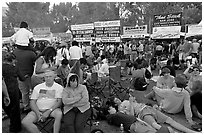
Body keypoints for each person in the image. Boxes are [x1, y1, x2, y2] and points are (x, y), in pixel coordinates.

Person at [106, 96, 197, 133]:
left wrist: (153, 105)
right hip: (142, 113)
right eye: (116, 101)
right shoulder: (120, 110)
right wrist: (131, 103)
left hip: (147, 108)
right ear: (114, 104)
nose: (118, 100)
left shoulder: (125, 101)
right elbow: (132, 116)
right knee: (155, 125)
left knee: (170, 120)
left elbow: (139, 103)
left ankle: (192, 132)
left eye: (117, 98)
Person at [2, 52, 27, 132]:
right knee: (15, 111)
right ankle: (15, 128)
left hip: (2, 91)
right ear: (12, 60)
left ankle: (12, 124)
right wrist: (25, 76)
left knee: (6, 108)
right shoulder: (14, 68)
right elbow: (22, 78)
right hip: (13, 90)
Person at [13, 43, 37, 112]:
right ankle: (34, 105)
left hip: (19, 75)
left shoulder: (15, 52)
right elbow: (35, 63)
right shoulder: (31, 53)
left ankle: (26, 106)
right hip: (31, 75)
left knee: (24, 92)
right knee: (34, 90)